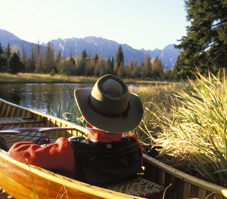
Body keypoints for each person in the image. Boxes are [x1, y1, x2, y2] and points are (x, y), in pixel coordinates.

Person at [8, 74, 144, 185]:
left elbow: (15, 151)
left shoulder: (67, 152)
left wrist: (41, 145)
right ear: (124, 116)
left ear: (90, 114)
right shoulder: (134, 145)